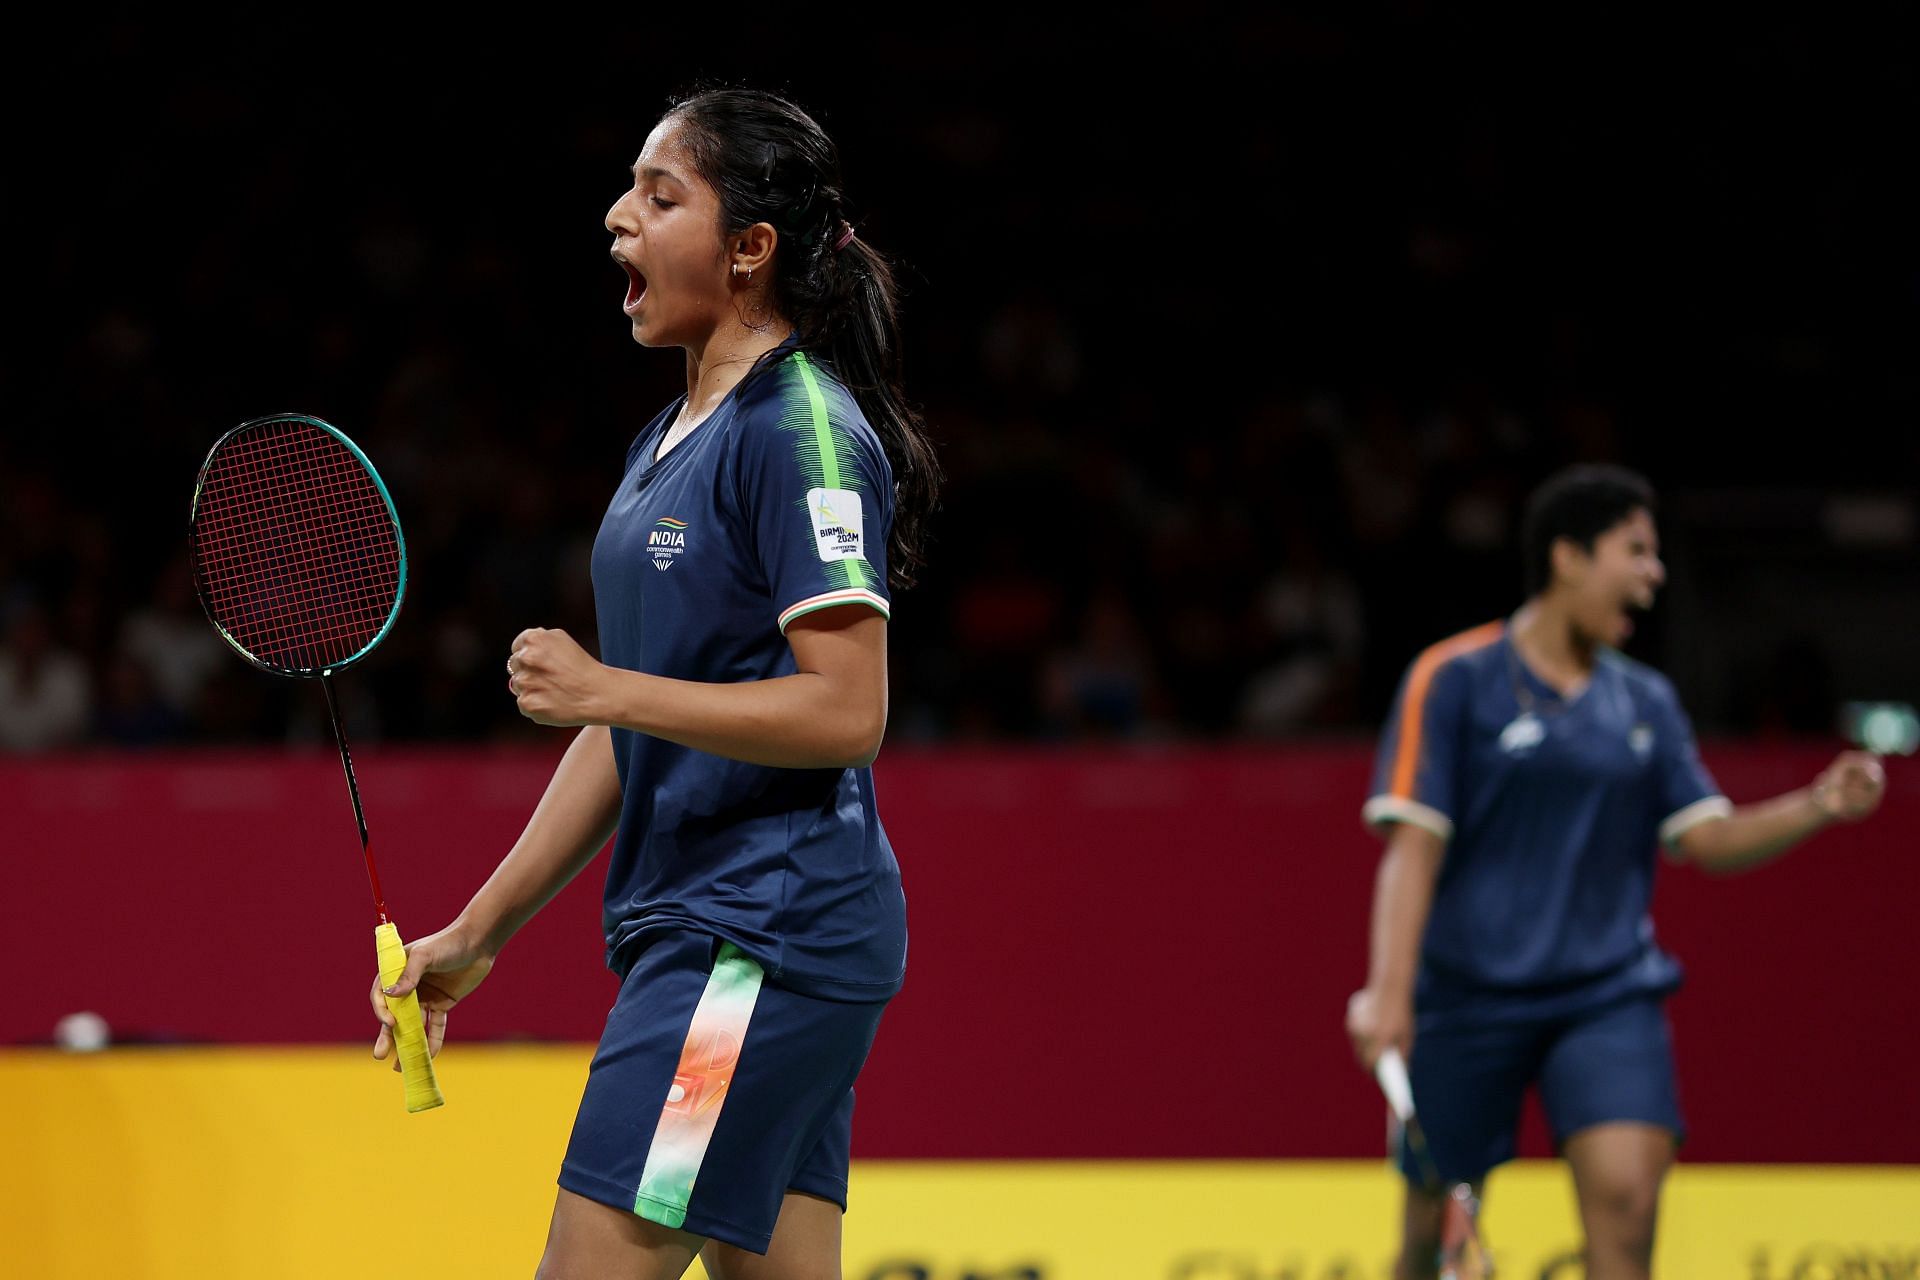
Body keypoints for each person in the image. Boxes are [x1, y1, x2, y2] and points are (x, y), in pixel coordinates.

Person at [369, 86, 939, 1279]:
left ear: (750, 251)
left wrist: (611, 691)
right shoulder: (669, 436)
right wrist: (481, 928)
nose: (619, 219)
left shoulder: (802, 432)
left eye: (659, 195)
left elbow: (848, 709)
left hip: (755, 939)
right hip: (729, 931)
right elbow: (632, 727)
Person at [1343, 464, 1885, 1280]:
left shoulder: (1646, 703)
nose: (1653, 574)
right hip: (1465, 1000)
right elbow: (1412, 846)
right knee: (1431, 1235)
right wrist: (1389, 991)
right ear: (1568, 557)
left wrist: (1817, 803)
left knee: (1629, 1203)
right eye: (1635, 551)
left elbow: (1706, 838)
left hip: (1604, 997)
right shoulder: (1452, 680)